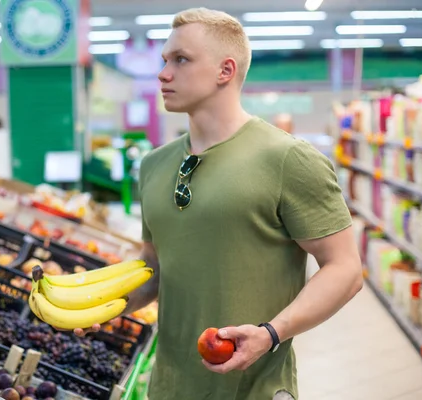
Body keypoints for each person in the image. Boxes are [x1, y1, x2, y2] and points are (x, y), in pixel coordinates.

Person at [73, 8, 363, 400]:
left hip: (255, 388)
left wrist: (270, 333)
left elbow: (345, 269)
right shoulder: (154, 165)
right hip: (168, 386)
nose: (163, 73)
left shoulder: (287, 159)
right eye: (164, 61)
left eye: (181, 60)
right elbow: (157, 270)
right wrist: (106, 307)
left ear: (225, 71)